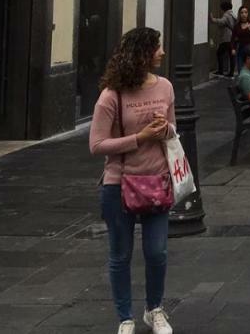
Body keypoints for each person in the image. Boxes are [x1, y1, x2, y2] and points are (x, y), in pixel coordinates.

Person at [88, 27, 176, 334]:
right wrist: (139, 137)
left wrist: (165, 129)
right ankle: (125, 317)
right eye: (157, 48)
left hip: (157, 180)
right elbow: (96, 145)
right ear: (141, 54)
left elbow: (172, 132)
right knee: (120, 254)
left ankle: (155, 309)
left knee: (157, 252)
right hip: (118, 183)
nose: (162, 53)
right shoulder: (111, 96)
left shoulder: (165, 87)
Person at [210, 1, 236, 78]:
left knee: (219, 53)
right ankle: (231, 72)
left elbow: (222, 21)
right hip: (232, 38)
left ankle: (221, 71)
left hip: (227, 38)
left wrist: (212, 19)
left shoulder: (227, 15)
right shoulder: (233, 14)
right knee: (231, 56)